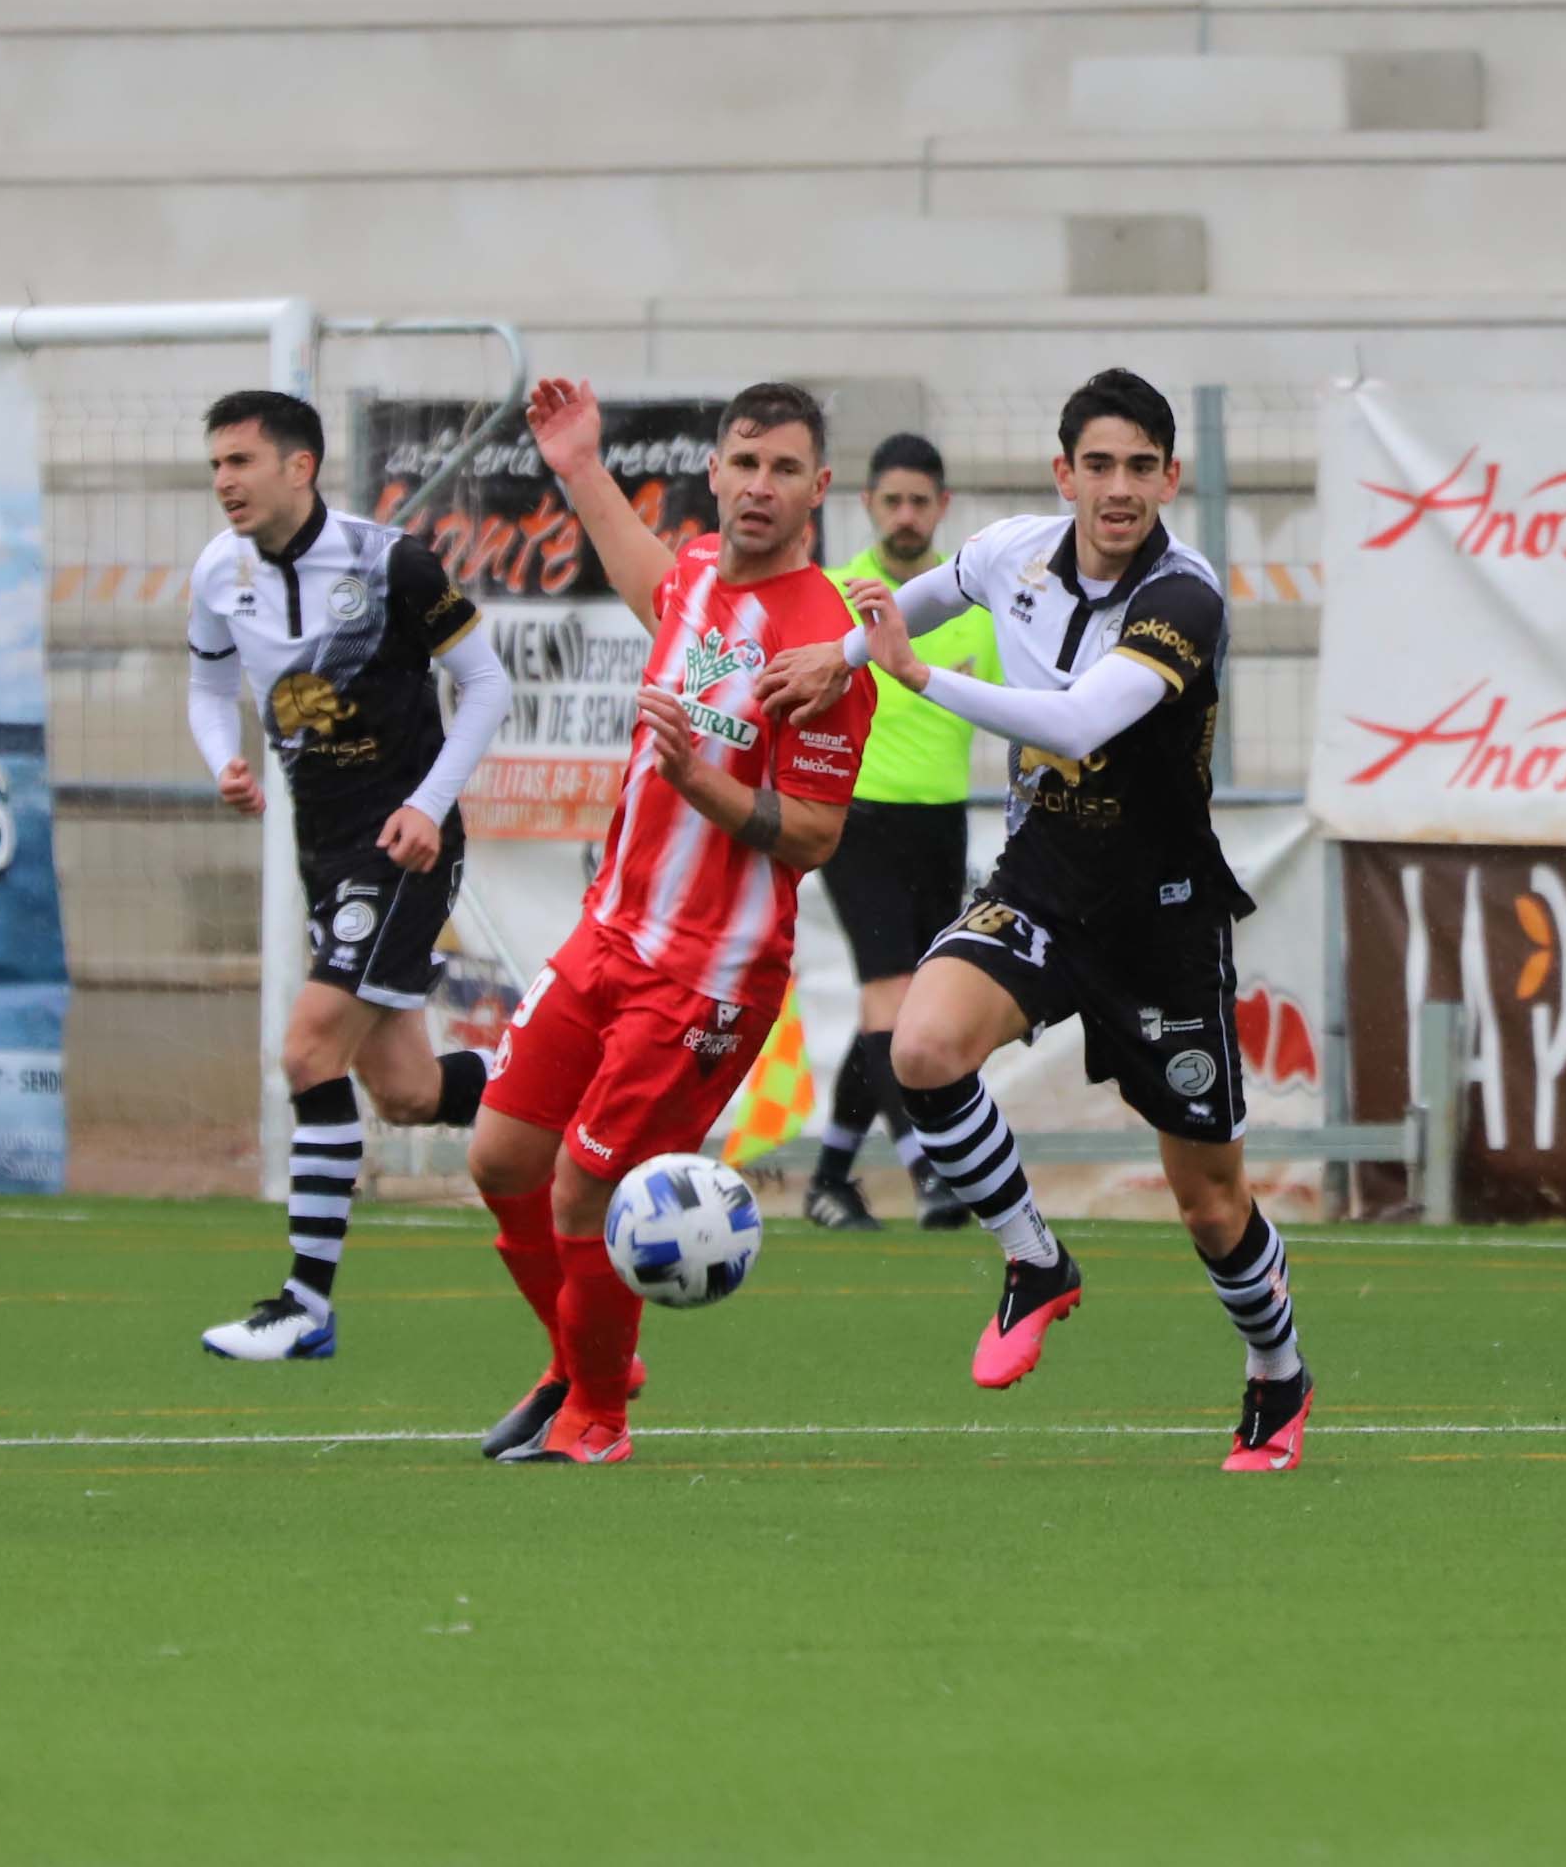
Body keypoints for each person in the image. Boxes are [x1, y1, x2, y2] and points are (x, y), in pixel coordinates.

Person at [758, 369, 1314, 1473]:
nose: (1118, 488)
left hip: (1162, 919)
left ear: (1171, 475)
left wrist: (912, 678)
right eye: (1097, 465)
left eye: (1140, 467)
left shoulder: (1186, 595)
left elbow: (1077, 722)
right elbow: (926, 597)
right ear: (1064, 473)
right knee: (920, 1046)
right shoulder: (1014, 550)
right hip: (1044, 882)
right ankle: (1033, 1260)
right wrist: (846, 652)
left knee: (1210, 1204)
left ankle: (1276, 1371)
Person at [466, 378, 875, 1467]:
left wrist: (703, 785)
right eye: (744, 462)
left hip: (711, 975)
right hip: (612, 933)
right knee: (501, 1154)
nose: (759, 486)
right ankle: (582, 1356)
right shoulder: (693, 573)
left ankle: (597, 1416)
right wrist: (580, 464)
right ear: (716, 469)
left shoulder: (826, 644)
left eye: (785, 468)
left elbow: (817, 835)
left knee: (583, 1187)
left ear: (818, 489)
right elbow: (646, 573)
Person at [182, 391, 511, 1363]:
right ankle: (576, 1092)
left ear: (300, 466)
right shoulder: (217, 571)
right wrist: (222, 764)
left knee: (308, 1049)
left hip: (403, 843)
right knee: (406, 1089)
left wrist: (429, 804)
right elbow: (207, 688)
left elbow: (488, 683)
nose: (225, 482)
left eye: (241, 461)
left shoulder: (391, 562)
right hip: (322, 847)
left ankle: (304, 1303)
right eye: (215, 465)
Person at [807, 432, 998, 1232]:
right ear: (868, 506)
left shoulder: (973, 602)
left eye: (921, 500)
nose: (907, 514)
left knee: (898, 1009)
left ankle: (828, 1181)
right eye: (893, 500)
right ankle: (931, 1172)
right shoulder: (833, 594)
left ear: (942, 508)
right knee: (893, 997)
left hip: (940, 823)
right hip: (860, 819)